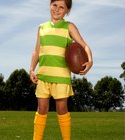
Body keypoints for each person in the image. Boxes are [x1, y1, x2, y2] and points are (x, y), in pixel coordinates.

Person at [30, 0, 93, 139]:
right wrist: (32, 69)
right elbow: (37, 51)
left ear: (67, 11)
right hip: (43, 75)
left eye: (61, 7)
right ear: (49, 5)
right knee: (41, 109)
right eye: (54, 5)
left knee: (62, 109)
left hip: (61, 76)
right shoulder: (41, 27)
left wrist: (90, 60)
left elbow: (84, 45)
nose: (57, 9)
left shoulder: (69, 27)